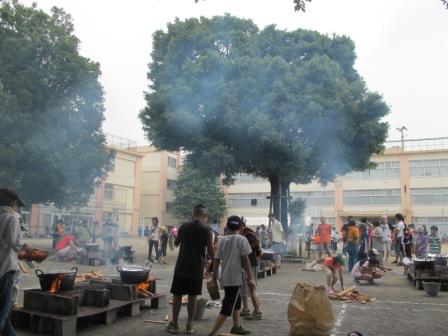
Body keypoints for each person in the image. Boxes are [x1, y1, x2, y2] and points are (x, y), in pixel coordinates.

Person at [166, 205, 214, 335]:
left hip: (181, 266)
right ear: (204, 216)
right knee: (193, 296)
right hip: (196, 268)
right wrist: (213, 265)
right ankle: (189, 325)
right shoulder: (207, 230)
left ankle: (175, 324)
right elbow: (210, 249)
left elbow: (176, 243)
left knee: (177, 295)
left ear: (194, 214)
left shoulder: (184, 226)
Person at [208, 216, 255, 336]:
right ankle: (212, 333)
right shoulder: (242, 240)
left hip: (226, 278)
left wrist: (214, 278)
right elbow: (246, 260)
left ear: (227, 227)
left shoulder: (222, 240)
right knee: (227, 308)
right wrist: (250, 277)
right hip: (235, 279)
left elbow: (217, 260)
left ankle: (236, 327)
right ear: (240, 227)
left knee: (237, 302)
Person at [0, 188, 32, 336]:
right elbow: (16, 244)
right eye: (17, 205)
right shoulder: (11, 218)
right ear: (13, 202)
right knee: (3, 311)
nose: (17, 208)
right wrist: (28, 249)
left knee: (4, 313)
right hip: (5, 268)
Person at [239, 220, 262, 321]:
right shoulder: (241, 234)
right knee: (243, 288)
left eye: (239, 226)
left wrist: (247, 248)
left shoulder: (247, 233)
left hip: (251, 264)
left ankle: (257, 311)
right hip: (243, 265)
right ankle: (246, 309)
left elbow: (257, 241)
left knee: (251, 288)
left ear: (243, 226)